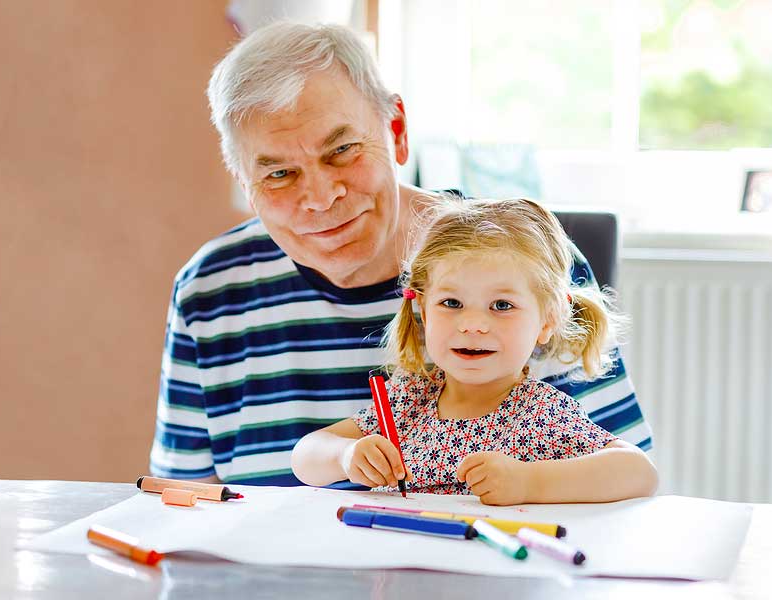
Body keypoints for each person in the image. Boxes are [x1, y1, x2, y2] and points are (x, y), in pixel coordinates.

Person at [150, 21, 652, 486]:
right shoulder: (208, 290)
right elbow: (185, 503)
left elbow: (628, 492)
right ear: (244, 182)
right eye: (279, 173)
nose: (322, 198)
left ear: (397, 131)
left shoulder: (523, 262)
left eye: (342, 150)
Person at [290, 197, 658, 504]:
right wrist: (345, 456)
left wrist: (530, 483)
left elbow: (638, 472)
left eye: (501, 306)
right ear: (422, 308)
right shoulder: (408, 401)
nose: (472, 325)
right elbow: (305, 455)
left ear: (548, 320)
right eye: (451, 303)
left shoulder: (537, 414)